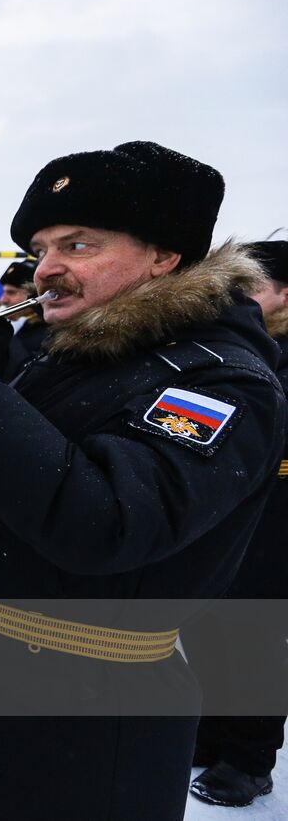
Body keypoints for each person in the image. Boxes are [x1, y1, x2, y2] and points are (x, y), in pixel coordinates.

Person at [0, 141, 285, 820]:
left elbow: (105, 523)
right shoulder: (71, 355)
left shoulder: (219, 378)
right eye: (42, 248)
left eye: (78, 243)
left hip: (78, 714)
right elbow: (15, 485)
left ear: (166, 254)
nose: (49, 269)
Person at [185, 238, 288, 808]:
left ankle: (249, 759)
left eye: (249, 287)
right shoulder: (237, 345)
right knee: (207, 626)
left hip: (277, 521)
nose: (236, 298)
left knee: (256, 640)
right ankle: (213, 731)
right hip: (226, 516)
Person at [0, 258, 47, 371]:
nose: (3, 300)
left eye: (11, 292)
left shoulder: (49, 333)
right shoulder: (23, 327)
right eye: (3, 292)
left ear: (34, 294)